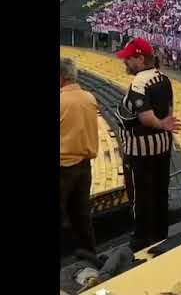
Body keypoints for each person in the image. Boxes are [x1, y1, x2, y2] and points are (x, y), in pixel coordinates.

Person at [114, 38, 181, 252]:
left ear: (140, 59)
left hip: (140, 150)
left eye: (129, 59)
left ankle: (141, 238)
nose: (125, 63)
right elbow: (169, 112)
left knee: (141, 194)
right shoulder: (164, 78)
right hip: (162, 146)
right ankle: (161, 234)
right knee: (160, 191)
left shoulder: (139, 82)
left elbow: (145, 117)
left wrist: (159, 123)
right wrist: (164, 126)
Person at [60, 57, 98, 254]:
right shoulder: (89, 98)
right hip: (84, 166)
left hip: (64, 167)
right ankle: (90, 255)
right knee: (82, 215)